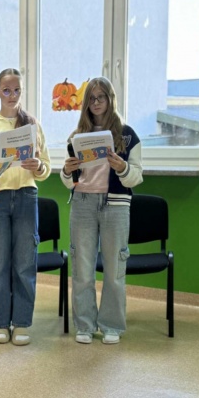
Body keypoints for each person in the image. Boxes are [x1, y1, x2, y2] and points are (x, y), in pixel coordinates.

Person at [0, 68, 51, 346]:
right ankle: (1, 323)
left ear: (21, 92)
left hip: (26, 196)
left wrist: (37, 166)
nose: (12, 95)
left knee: (25, 262)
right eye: (6, 90)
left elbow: (45, 169)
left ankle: (22, 323)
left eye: (16, 90)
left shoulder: (32, 126)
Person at [60, 76, 143, 345]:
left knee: (114, 269)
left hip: (115, 205)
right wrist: (67, 171)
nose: (96, 103)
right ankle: (85, 325)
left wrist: (122, 167)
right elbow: (68, 181)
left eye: (101, 97)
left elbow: (136, 177)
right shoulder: (76, 136)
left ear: (110, 99)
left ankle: (111, 325)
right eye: (91, 98)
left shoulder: (128, 135)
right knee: (82, 268)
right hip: (83, 203)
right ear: (86, 103)